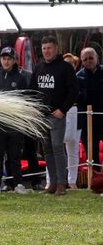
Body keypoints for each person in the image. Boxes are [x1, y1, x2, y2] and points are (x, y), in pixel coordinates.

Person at [30, 35, 78, 196]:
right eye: (44, 48)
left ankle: (62, 184)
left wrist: (63, 110)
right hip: (42, 115)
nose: (46, 51)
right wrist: (35, 108)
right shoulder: (38, 68)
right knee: (47, 150)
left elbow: (73, 91)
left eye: (49, 48)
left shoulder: (65, 68)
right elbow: (32, 90)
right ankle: (52, 184)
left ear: (56, 48)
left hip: (57, 115)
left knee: (58, 148)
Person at [0, 47, 28, 194]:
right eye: (4, 58)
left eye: (9, 58)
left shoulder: (21, 78)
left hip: (15, 124)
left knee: (15, 156)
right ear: (0, 60)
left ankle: (18, 184)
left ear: (14, 60)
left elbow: (25, 100)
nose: (6, 61)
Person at [48, 53, 80, 189]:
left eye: (70, 64)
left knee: (72, 148)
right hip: (56, 113)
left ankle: (72, 180)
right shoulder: (55, 78)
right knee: (53, 147)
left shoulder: (78, 78)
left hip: (73, 112)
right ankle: (51, 180)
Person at [77, 47, 103, 173]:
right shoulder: (78, 76)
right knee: (92, 153)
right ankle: (96, 181)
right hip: (88, 121)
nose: (88, 61)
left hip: (102, 117)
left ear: (97, 57)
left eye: (91, 58)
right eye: (85, 59)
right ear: (82, 61)